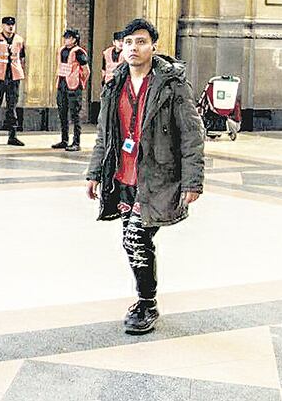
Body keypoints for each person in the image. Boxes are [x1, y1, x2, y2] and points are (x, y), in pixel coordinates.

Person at [85, 18, 205, 335]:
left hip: (157, 177)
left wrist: (193, 181)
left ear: (153, 46)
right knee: (134, 241)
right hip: (123, 177)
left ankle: (146, 303)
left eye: (140, 41)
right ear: (120, 47)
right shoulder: (114, 85)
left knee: (135, 238)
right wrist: (95, 172)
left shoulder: (172, 85)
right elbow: (104, 135)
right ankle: (145, 299)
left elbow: (192, 134)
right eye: (128, 42)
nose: (133, 48)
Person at [0, 16, 25, 146]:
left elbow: (21, 58)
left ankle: (12, 136)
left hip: (13, 78)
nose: (10, 26)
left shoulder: (19, 40)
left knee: (12, 108)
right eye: (8, 24)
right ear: (3, 26)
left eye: (12, 24)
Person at [52, 29, 90, 152]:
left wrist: (80, 82)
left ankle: (76, 142)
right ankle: (64, 140)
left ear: (74, 39)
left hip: (74, 86)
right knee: (62, 113)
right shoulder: (61, 50)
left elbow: (86, 70)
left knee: (75, 115)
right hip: (61, 84)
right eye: (65, 37)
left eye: (68, 37)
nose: (66, 40)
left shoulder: (79, 52)